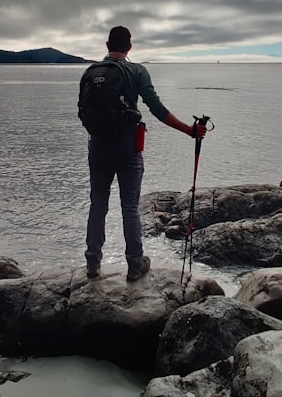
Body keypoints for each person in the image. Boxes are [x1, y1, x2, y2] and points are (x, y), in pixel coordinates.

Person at [83, 25, 208, 281]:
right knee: (130, 207)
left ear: (107, 46)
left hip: (97, 145)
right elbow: (156, 108)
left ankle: (92, 264)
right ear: (129, 47)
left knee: (98, 204)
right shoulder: (137, 70)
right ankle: (134, 264)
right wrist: (189, 130)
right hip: (127, 147)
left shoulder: (90, 72)